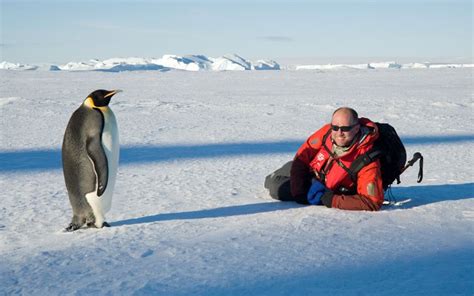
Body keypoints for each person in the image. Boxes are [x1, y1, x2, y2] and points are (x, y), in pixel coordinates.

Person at [264, 107, 384, 211]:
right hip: (311, 173)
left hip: (325, 191)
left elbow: (372, 202)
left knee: (275, 187)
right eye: (335, 127)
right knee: (273, 178)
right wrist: (298, 190)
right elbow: (302, 157)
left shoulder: (367, 159)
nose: (339, 132)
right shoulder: (327, 132)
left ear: (356, 128)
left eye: (345, 129)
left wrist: (331, 199)